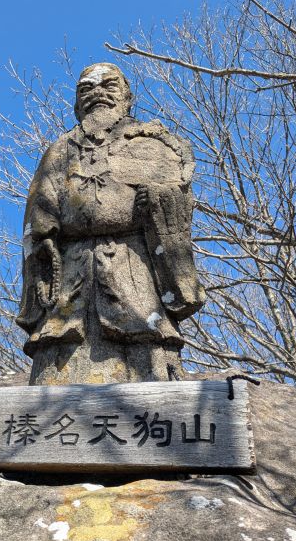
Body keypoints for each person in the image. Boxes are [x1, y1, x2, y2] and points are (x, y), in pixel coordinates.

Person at [17, 62, 205, 384]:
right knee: (56, 359)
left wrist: (157, 201)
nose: (97, 93)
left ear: (127, 98)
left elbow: (175, 196)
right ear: (76, 105)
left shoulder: (150, 143)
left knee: (146, 356)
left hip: (133, 267)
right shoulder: (61, 149)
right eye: (86, 89)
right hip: (71, 273)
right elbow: (41, 203)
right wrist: (44, 234)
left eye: (108, 86)